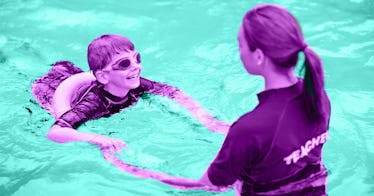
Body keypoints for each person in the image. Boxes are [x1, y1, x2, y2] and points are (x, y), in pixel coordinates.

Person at [134, 4, 331, 196]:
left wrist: (136, 171)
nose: (240, 52)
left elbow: (207, 187)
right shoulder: (317, 95)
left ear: (259, 56)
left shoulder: (249, 129)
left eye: (240, 44)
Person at [31, 34, 230, 155]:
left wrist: (207, 120)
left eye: (136, 58)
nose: (136, 67)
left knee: (51, 61)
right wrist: (97, 139)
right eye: (124, 64)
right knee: (26, 65)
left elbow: (173, 93)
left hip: (73, 75)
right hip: (48, 88)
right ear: (103, 75)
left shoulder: (135, 85)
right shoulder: (94, 102)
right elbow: (54, 132)